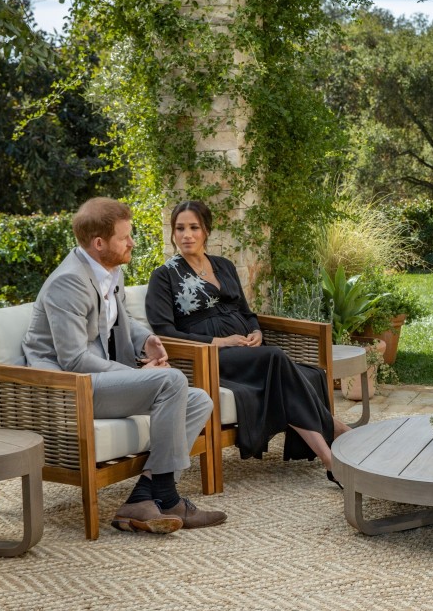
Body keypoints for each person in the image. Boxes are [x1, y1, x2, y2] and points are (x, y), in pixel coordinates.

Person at [23, 198, 227, 533]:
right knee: (172, 381)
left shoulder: (108, 270)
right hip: (68, 389)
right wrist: (137, 375)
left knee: (199, 400)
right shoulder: (68, 283)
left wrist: (146, 340)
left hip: (95, 380)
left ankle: (143, 497)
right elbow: (73, 359)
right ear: (98, 243)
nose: (132, 243)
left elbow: (124, 320)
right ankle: (168, 497)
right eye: (125, 237)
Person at [145, 201, 351, 487]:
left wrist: (255, 331)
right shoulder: (164, 276)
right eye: (180, 228)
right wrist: (218, 342)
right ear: (173, 232)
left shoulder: (224, 265)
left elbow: (245, 311)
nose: (186, 235)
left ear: (206, 231)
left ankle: (334, 450)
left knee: (290, 370)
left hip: (247, 351)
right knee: (276, 358)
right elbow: (164, 331)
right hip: (210, 358)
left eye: (194, 228)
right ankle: (334, 445)